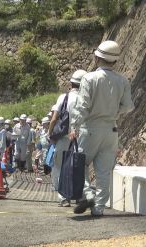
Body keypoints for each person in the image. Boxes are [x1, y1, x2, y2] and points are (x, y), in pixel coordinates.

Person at [69, 41, 134, 216]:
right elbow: (128, 107)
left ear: (97, 58)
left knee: (79, 163)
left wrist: (74, 126)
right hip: (111, 130)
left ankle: (88, 194)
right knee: (104, 172)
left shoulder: (89, 78)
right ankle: (98, 208)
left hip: (90, 128)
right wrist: (114, 113)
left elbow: (82, 107)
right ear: (115, 61)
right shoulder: (123, 81)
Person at [48, 69, 88, 206]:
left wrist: (50, 133)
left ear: (71, 83)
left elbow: (54, 118)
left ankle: (63, 198)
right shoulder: (86, 98)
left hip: (64, 137)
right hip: (81, 137)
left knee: (60, 165)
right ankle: (80, 195)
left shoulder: (63, 97)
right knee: (80, 166)